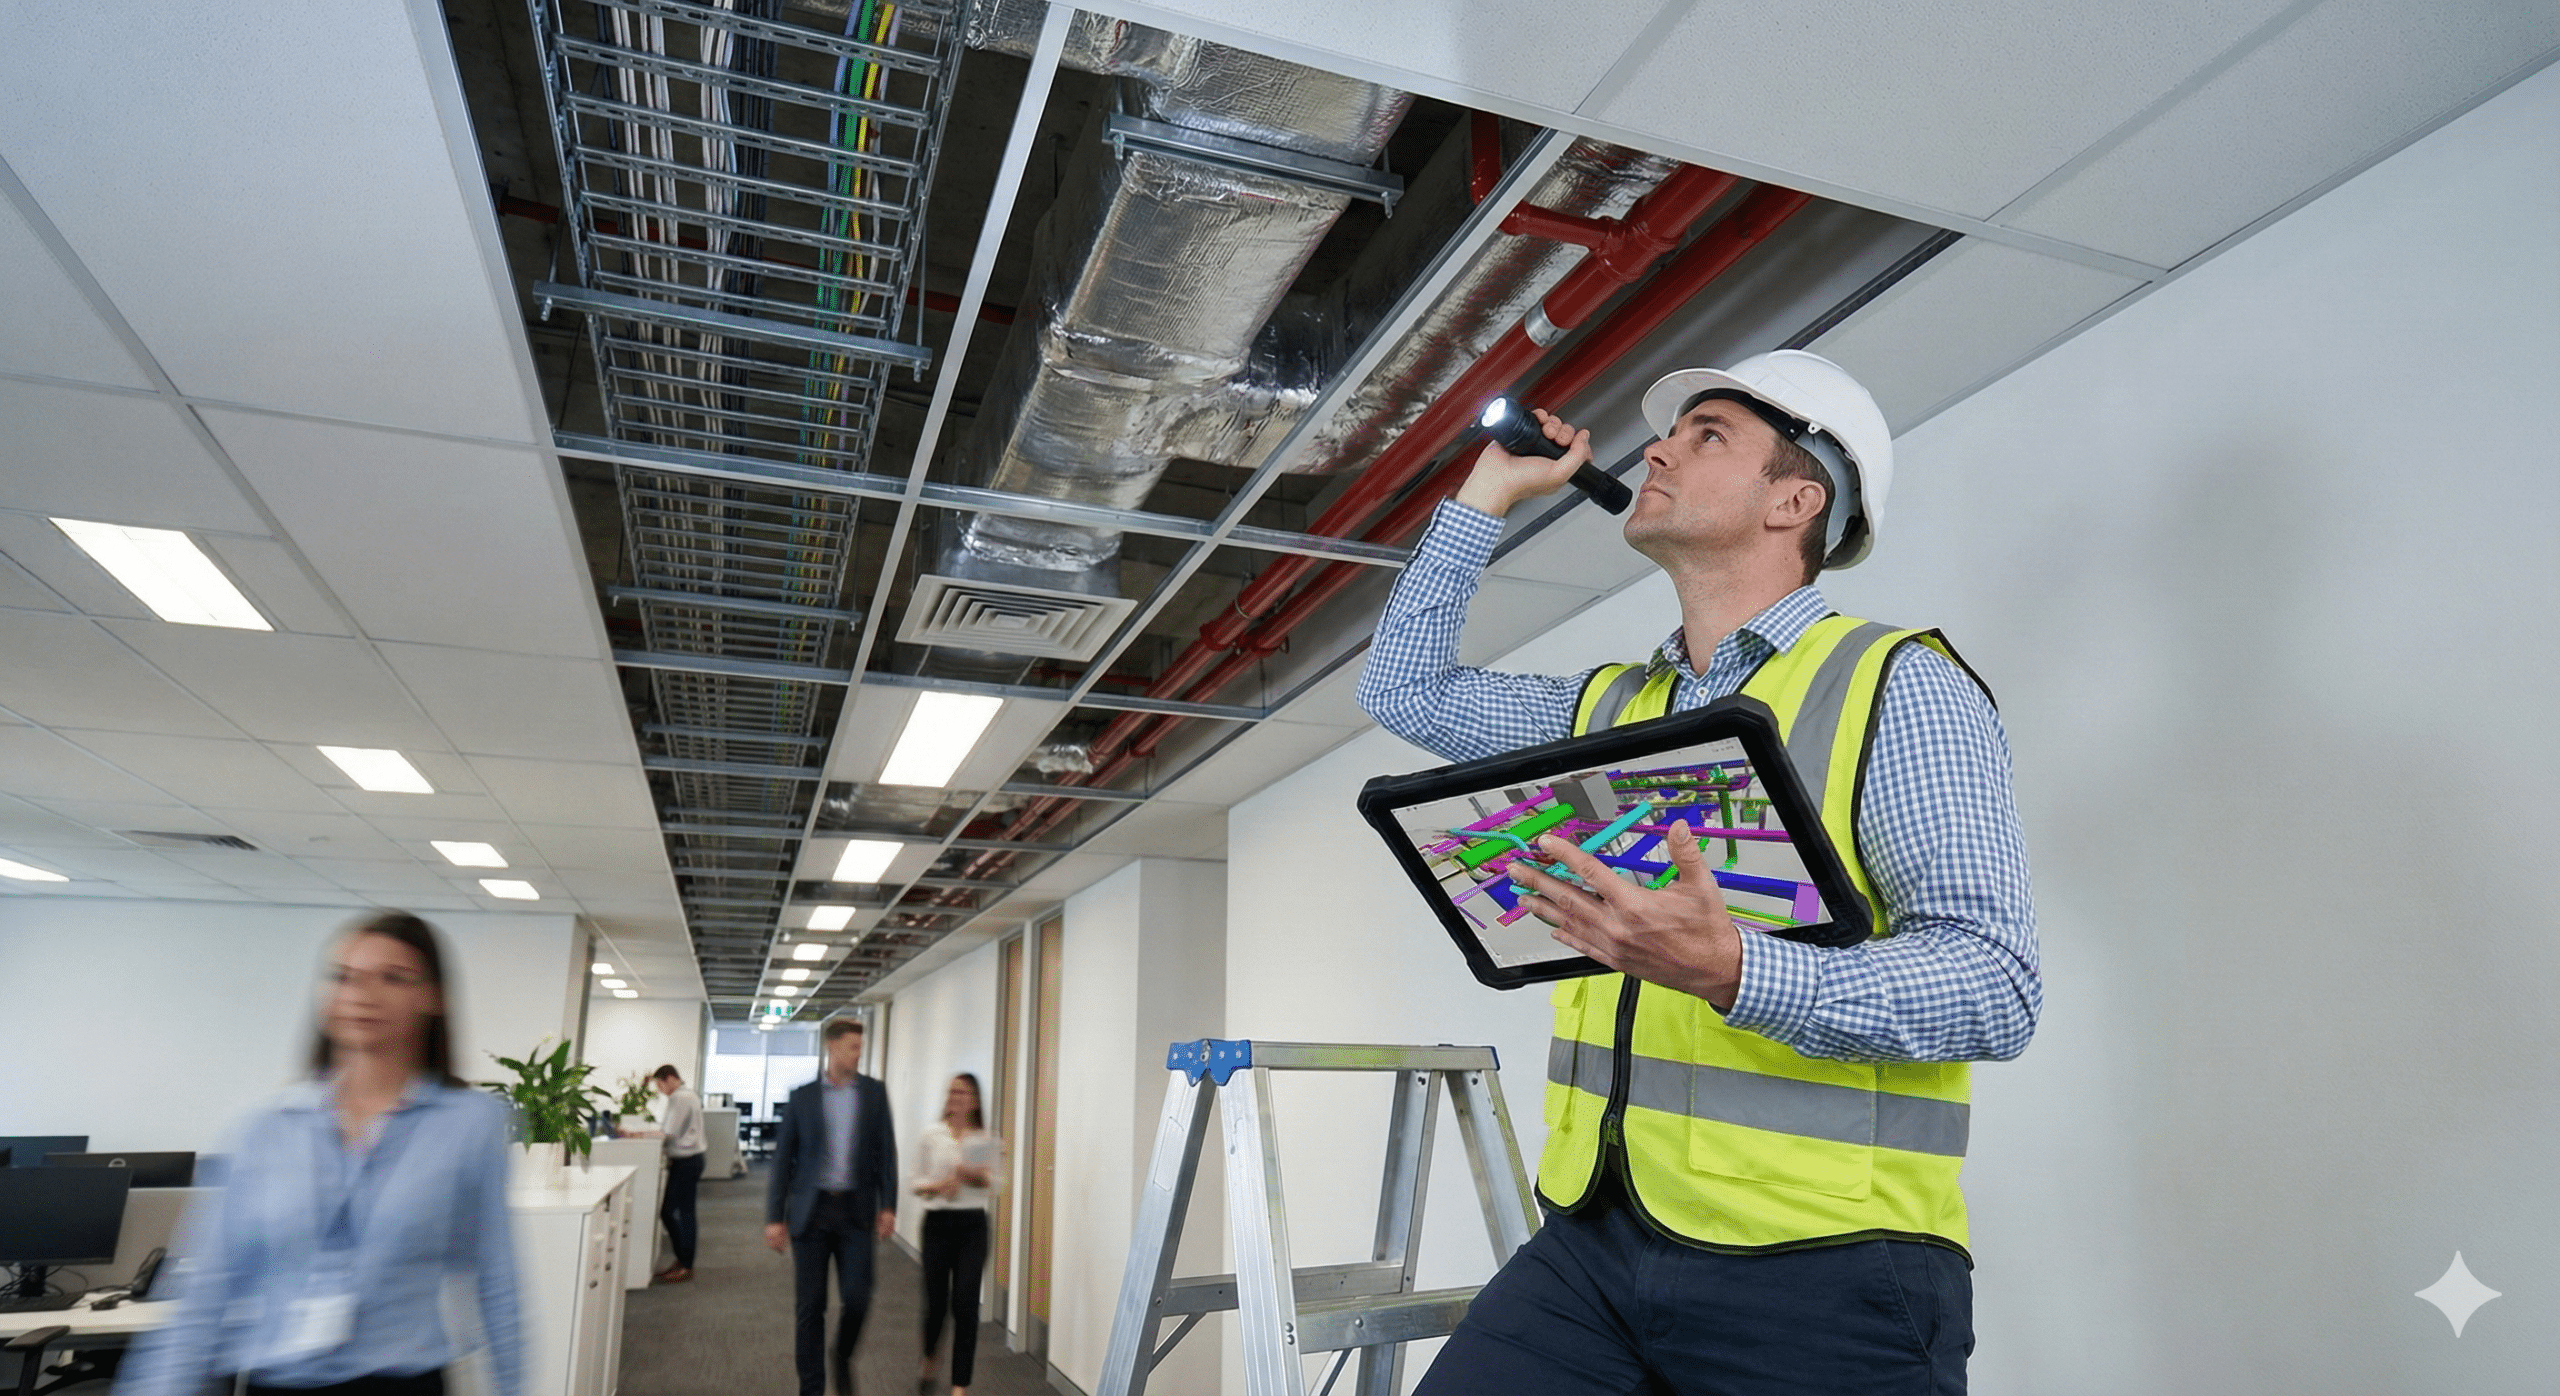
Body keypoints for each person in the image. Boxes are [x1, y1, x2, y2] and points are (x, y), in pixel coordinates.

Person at [1359, 351, 2040, 1394]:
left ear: (1795, 498)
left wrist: (1736, 972)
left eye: (1707, 432)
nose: (1659, 448)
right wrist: (1484, 492)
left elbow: (1995, 987)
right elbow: (1403, 686)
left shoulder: (1898, 685)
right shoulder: (1605, 708)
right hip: (1592, 1239)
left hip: (1826, 1267)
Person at [118, 911, 523, 1396]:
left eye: (393, 978)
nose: (361, 994)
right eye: (343, 976)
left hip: (405, 1382)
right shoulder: (263, 1131)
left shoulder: (469, 1125)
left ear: (432, 997)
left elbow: (498, 1282)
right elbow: (204, 1293)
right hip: (279, 1381)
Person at [767, 1018, 896, 1396]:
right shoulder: (803, 1096)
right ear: (832, 1046)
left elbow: (885, 1153)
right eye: (852, 1047)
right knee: (811, 1308)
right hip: (812, 1213)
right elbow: (783, 1159)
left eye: (861, 1048)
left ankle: (841, 1355)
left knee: (857, 1297)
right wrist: (775, 1216)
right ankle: (812, 1388)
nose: (858, 1055)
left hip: (856, 1213)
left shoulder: (874, 1093)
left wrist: (888, 1205)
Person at [910, 1074, 1000, 1396]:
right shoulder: (931, 1135)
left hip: (972, 1227)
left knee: (965, 1305)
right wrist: (937, 1186)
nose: (955, 1097)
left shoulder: (984, 1139)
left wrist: (966, 1174)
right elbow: (914, 1182)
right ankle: (930, 1358)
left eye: (963, 1092)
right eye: (952, 1091)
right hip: (936, 1225)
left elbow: (994, 1184)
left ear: (974, 1100)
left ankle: (959, 1386)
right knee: (936, 1305)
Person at [635, 1064, 707, 1283]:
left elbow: (668, 1132)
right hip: (691, 1159)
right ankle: (683, 1261)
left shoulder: (680, 1098)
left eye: (659, 1084)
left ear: (670, 1079)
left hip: (686, 1161)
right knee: (683, 1213)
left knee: (673, 1212)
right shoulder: (687, 1095)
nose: (659, 1089)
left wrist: (636, 1134)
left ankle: (685, 1263)